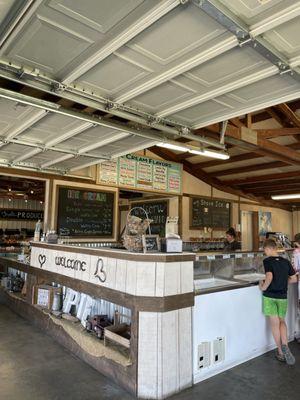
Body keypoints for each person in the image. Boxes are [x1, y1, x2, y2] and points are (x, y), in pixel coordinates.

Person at [259, 239, 298, 364]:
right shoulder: (286, 261)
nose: (265, 253)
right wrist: (282, 283)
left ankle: (281, 352)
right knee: (282, 321)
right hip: (282, 296)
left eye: (265, 250)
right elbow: (293, 279)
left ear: (269, 249)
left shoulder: (267, 261)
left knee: (274, 324)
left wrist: (263, 287)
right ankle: (286, 344)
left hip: (270, 296)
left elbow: (269, 276)